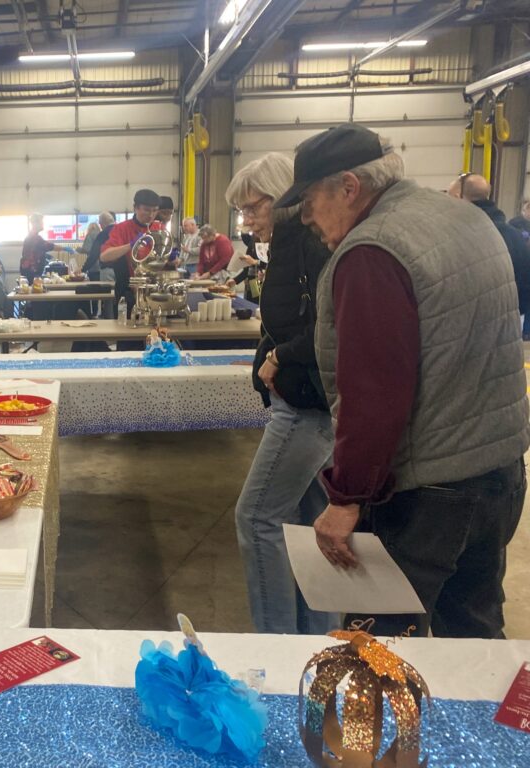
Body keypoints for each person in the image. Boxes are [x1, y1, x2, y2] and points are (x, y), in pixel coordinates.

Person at [277, 123, 529, 638]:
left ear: (348, 187)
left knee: (378, 647)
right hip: (499, 471)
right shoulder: (463, 217)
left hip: (430, 495)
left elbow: (374, 393)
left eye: (309, 200)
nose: (307, 218)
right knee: (475, 638)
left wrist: (346, 498)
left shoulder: (372, 251)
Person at [225, 153, 337, 635]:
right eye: (243, 212)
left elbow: (331, 327)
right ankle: (318, 643)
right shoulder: (291, 246)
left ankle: (275, 643)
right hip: (308, 402)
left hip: (307, 407)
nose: (247, 222)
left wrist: (279, 356)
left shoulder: (308, 246)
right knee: (311, 526)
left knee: (255, 519)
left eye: (254, 208)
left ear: (284, 199)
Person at [448, 173, 530, 337]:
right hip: (514, 326)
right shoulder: (515, 236)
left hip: (473, 329)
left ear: (458, 198)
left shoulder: (460, 237)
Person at [100, 189, 160, 320]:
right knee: (127, 336)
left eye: (155, 210)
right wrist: (131, 245)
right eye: (147, 210)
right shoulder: (121, 229)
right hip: (127, 292)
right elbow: (105, 256)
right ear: (135, 208)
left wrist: (172, 259)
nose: (151, 215)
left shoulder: (158, 229)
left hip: (153, 293)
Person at [20, 213, 68, 283]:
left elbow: (36, 250)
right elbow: (49, 246)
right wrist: (64, 248)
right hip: (31, 272)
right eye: (42, 222)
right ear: (36, 223)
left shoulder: (32, 236)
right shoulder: (35, 238)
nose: (43, 224)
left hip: (30, 271)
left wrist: (44, 255)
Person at [88, 211, 117, 318]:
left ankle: (109, 322)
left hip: (107, 270)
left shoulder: (103, 233)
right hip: (122, 270)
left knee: (107, 298)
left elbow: (94, 254)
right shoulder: (121, 230)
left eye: (100, 224)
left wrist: (83, 269)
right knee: (120, 297)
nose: (100, 226)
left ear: (103, 223)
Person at [226, 232, 262, 303]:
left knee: (257, 305)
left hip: (260, 281)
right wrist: (236, 280)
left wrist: (255, 262)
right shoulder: (253, 238)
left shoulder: (270, 240)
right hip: (252, 280)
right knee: (249, 305)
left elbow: (269, 263)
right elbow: (248, 267)